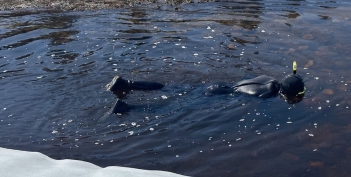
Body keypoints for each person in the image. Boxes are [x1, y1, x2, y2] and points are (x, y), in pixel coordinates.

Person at [107, 62, 305, 114]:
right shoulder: (269, 95)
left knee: (169, 88)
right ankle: (127, 108)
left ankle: (126, 84)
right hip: (216, 96)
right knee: (173, 107)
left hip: (218, 86)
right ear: (289, 94)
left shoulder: (268, 79)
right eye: (298, 97)